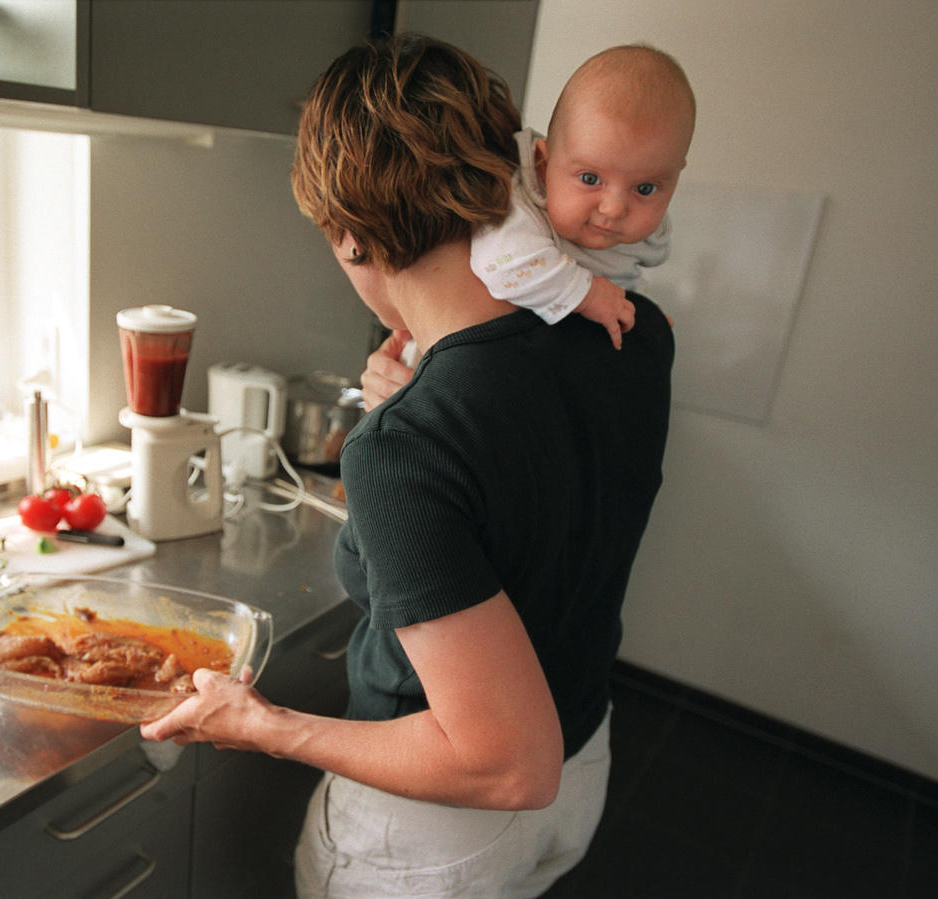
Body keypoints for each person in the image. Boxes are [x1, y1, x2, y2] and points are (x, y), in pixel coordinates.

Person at [141, 34, 674, 898]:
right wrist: (424, 381)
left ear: (348, 236)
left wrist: (265, 724)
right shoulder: (639, 332)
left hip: (442, 824)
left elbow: (507, 764)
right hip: (584, 766)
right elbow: (534, 470)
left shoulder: (406, 445)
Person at [380, 43, 693, 393]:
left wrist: (640, 315)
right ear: (544, 164)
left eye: (646, 188)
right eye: (590, 179)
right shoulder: (522, 202)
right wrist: (590, 295)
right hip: (444, 372)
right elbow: (504, 267)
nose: (614, 208)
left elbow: (621, 275)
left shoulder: (649, 233)